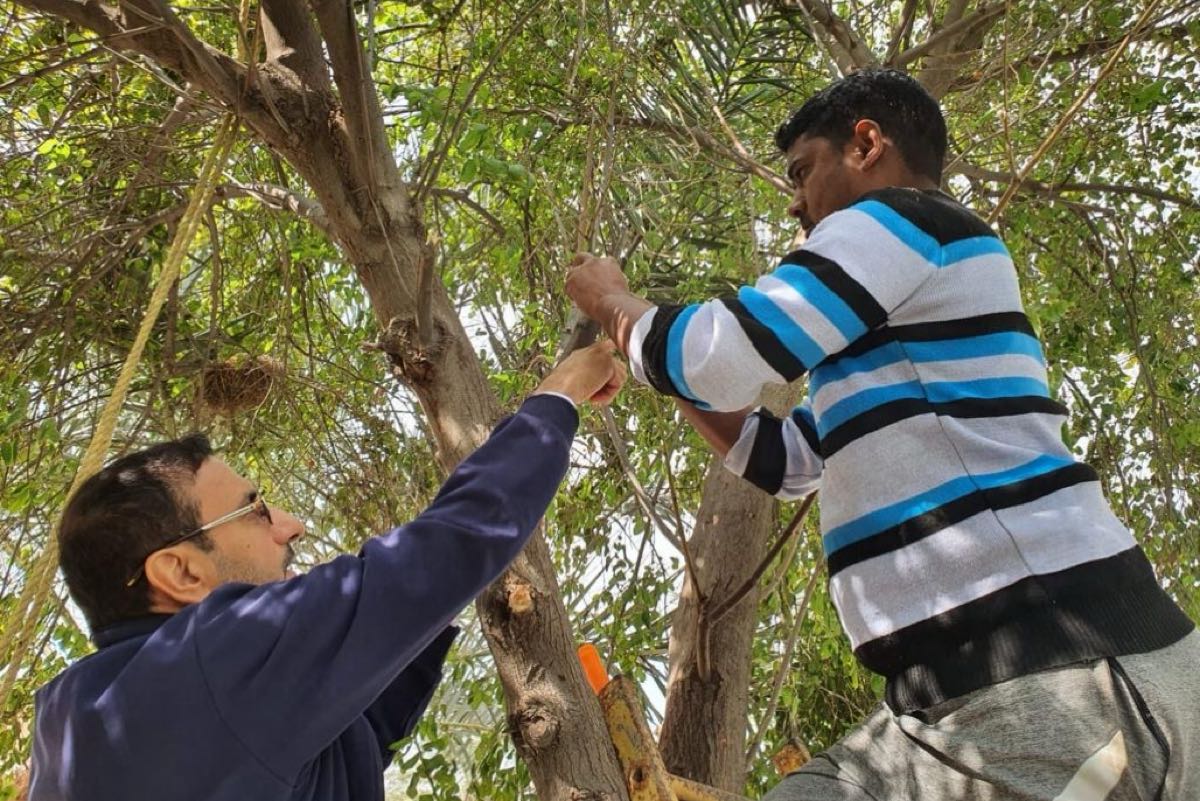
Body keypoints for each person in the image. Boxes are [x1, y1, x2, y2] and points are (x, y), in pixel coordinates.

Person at [566, 69, 1197, 800]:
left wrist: (611, 300)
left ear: (866, 144)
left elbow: (720, 356)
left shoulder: (902, 218)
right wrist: (656, 358)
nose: (796, 203)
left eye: (802, 171)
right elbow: (786, 459)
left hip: (1055, 671)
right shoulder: (904, 324)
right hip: (992, 694)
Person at [28, 341, 626, 801]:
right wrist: (560, 394)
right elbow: (444, 551)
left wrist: (413, 617)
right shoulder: (211, 663)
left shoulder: (74, 726)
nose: (291, 526)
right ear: (180, 573)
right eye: (255, 509)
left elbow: (345, 750)